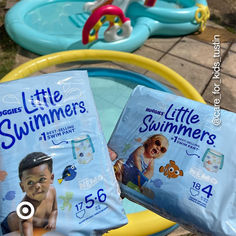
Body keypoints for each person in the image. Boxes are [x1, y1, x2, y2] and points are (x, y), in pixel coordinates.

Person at [1, 152, 58, 235]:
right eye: (30, 182)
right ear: (23, 187)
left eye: (42, 179)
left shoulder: (52, 191)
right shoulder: (26, 207)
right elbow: (26, 230)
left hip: (36, 224)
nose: (37, 186)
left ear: (51, 178)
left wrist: (52, 220)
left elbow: (54, 210)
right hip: (10, 227)